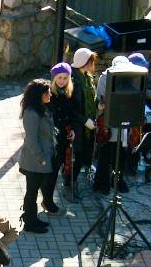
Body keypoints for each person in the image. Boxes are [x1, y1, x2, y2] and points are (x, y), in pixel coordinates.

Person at [17, 78, 55, 232]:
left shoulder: (42, 108)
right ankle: (29, 222)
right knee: (32, 192)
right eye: (47, 93)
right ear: (39, 95)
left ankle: (31, 218)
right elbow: (32, 140)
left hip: (42, 159)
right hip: (35, 161)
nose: (50, 95)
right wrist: (41, 159)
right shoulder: (31, 113)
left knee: (33, 190)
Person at [47, 62, 86, 202]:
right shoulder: (49, 93)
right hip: (54, 136)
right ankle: (48, 198)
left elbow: (73, 112)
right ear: (54, 78)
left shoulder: (71, 92)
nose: (62, 81)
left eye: (65, 78)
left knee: (70, 162)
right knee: (55, 166)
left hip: (67, 133)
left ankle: (68, 188)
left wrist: (74, 130)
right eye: (59, 78)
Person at [93, 56, 132, 195]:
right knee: (106, 154)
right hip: (109, 123)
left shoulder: (131, 77)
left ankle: (117, 181)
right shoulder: (105, 78)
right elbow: (101, 99)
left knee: (120, 155)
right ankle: (102, 183)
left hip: (124, 121)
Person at [70, 49, 98, 182]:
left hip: (89, 125)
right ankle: (70, 184)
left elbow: (92, 99)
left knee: (85, 154)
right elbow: (70, 108)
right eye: (90, 61)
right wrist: (85, 120)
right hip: (77, 127)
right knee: (77, 157)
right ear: (84, 62)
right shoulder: (73, 80)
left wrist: (98, 105)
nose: (93, 64)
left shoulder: (88, 77)